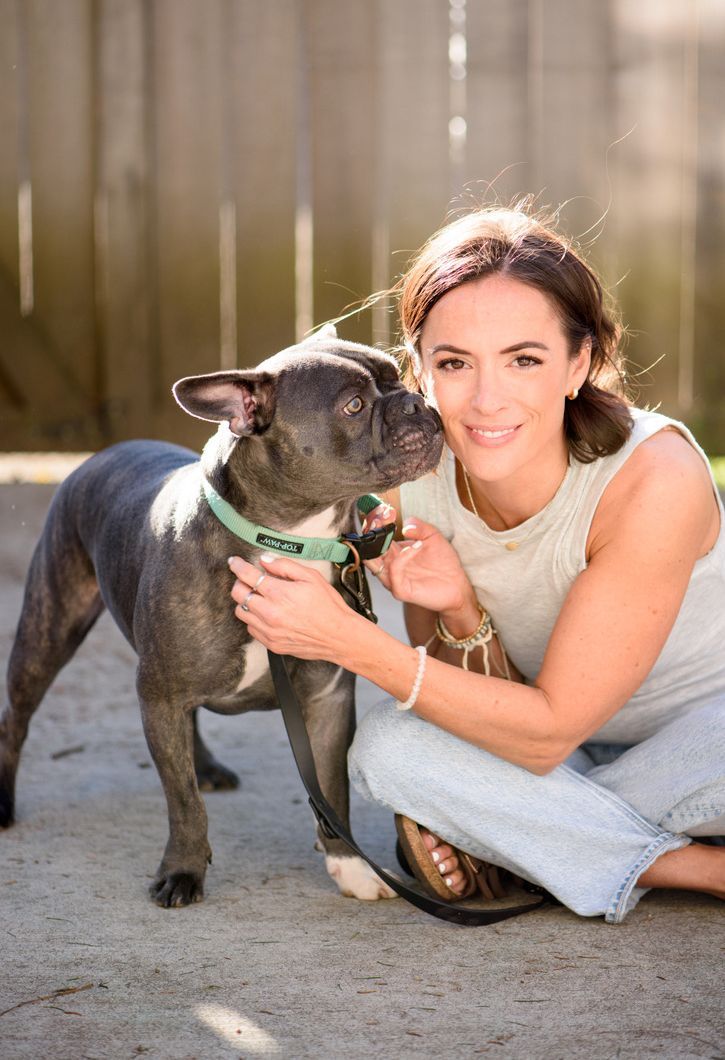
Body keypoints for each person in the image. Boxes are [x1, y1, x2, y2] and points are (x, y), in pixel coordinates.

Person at [227, 204, 725, 923]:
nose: (487, 401)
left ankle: (514, 841)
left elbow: (545, 732)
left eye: (524, 360)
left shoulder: (653, 477)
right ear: (419, 370)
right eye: (455, 363)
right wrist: (461, 609)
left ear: (578, 364)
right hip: (568, 756)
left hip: (701, 740)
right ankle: (695, 865)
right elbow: (478, 711)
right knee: (390, 749)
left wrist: (347, 640)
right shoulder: (408, 481)